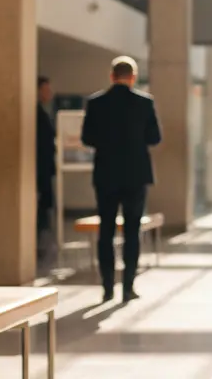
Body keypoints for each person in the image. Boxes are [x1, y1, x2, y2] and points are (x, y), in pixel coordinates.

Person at [81, 56, 162, 303]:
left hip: (106, 174)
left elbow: (87, 138)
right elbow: (155, 138)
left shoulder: (96, 103)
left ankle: (107, 287)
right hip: (136, 175)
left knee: (105, 230)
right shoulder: (144, 103)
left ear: (112, 76)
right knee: (132, 230)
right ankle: (128, 286)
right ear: (133, 77)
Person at [36, 77, 57, 256]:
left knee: (44, 208)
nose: (49, 93)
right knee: (40, 208)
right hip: (39, 171)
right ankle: (37, 245)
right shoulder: (37, 115)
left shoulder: (42, 113)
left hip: (44, 170)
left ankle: (41, 244)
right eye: (46, 89)